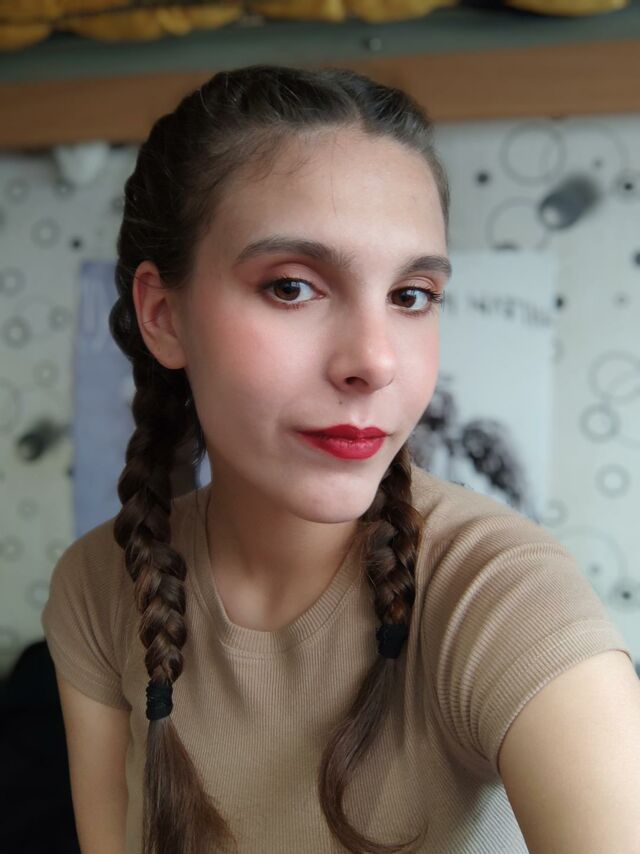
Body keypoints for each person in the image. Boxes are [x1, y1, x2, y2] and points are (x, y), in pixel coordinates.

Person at [41, 64, 632, 854]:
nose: (375, 362)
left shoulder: (500, 593)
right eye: (292, 287)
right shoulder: (98, 588)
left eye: (411, 295)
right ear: (163, 315)